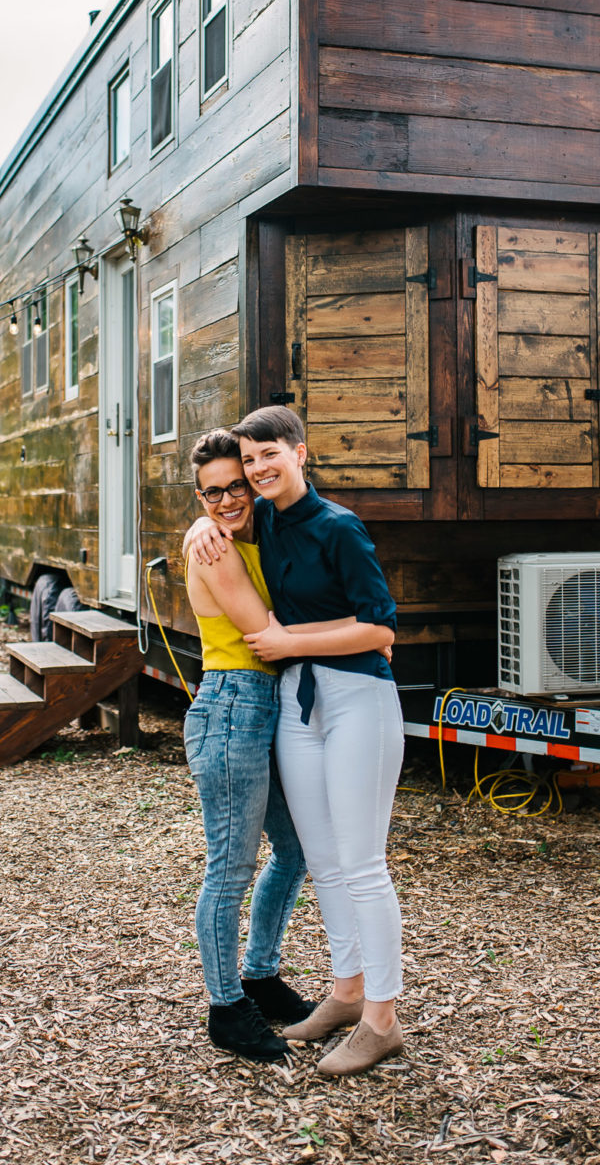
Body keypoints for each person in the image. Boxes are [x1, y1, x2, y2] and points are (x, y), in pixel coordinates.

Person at [187, 406, 406, 1078]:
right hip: (279, 702)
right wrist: (202, 521)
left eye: (257, 465)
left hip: (346, 695)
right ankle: (342, 993)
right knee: (316, 857)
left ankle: (380, 1018)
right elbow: (225, 540)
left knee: (354, 862)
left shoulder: (332, 526)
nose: (245, 482)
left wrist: (290, 643)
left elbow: (381, 630)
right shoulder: (251, 526)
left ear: (298, 453)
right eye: (239, 470)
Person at [182, 429, 312, 1062]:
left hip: (267, 707)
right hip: (232, 708)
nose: (228, 499)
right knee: (229, 869)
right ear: (198, 496)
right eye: (212, 492)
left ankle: (260, 975)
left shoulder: (255, 534)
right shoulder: (210, 547)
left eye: (237, 483)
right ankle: (227, 1006)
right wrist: (357, 632)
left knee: (293, 848)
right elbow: (264, 635)